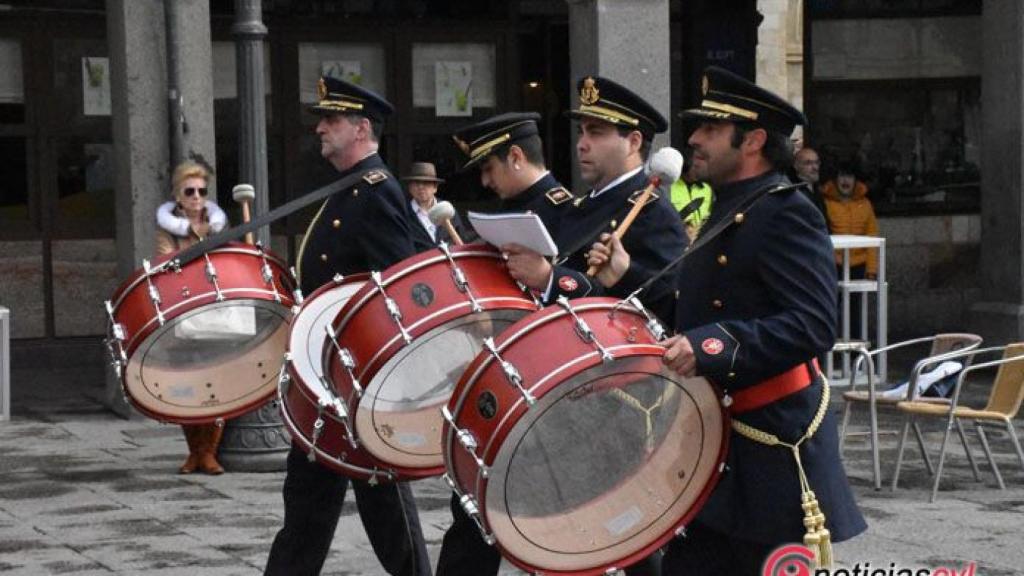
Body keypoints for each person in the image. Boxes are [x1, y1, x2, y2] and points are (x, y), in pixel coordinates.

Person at [587, 66, 866, 574]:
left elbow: (814, 324)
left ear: (754, 140)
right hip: (716, 441)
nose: (693, 139)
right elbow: (695, 314)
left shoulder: (786, 212)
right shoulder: (732, 207)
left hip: (771, 450)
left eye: (710, 130)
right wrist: (626, 276)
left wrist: (712, 346)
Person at [264, 76, 430, 576]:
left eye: (331, 120)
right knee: (307, 509)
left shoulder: (375, 192)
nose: (320, 128)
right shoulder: (350, 189)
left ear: (361, 129)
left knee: (385, 509)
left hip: (358, 377)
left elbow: (400, 286)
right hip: (328, 377)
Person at [435, 111, 573, 576]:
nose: (487, 182)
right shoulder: (505, 214)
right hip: (503, 381)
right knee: (473, 510)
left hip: (550, 390)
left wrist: (547, 279)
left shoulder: (565, 212)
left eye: (490, 169)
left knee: (560, 520)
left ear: (516, 156)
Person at [502, 76, 687, 319]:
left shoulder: (654, 214)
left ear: (633, 142)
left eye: (596, 133)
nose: (581, 144)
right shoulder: (582, 204)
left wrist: (549, 278)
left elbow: (668, 307)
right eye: (582, 132)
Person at [154, 160, 228, 475]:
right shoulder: (166, 231)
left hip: (214, 311)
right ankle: (194, 452)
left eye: (202, 190)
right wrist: (193, 237)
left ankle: (209, 452)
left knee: (217, 386)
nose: (197, 196)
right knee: (187, 387)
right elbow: (165, 262)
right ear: (179, 197)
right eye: (190, 191)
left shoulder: (220, 226)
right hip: (182, 310)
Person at [822, 164, 879, 340]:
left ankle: (856, 355)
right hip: (835, 264)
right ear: (835, 179)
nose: (846, 181)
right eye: (842, 176)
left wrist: (871, 269)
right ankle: (828, 352)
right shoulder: (826, 203)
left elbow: (872, 235)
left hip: (858, 265)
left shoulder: (865, 204)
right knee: (830, 309)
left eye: (850, 176)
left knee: (856, 311)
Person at [402, 161, 468, 245]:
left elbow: (462, 243)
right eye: (416, 183)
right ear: (410, 188)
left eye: (426, 183)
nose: (421, 187)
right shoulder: (403, 213)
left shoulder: (448, 210)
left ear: (435, 188)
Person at [669, 146, 713, 240]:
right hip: (676, 238)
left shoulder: (706, 188)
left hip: (700, 239)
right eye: (695, 167)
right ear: (685, 167)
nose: (698, 171)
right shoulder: (670, 187)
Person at [792, 146, 831, 227]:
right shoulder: (793, 192)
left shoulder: (819, 190)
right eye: (808, 163)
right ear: (796, 165)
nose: (815, 167)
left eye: (817, 162)